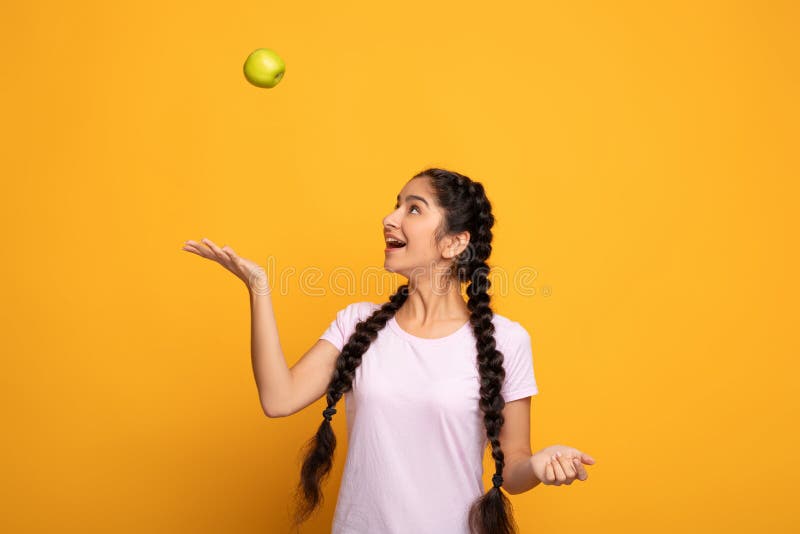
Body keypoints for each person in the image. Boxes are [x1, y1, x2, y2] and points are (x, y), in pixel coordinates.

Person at [181, 168, 596, 534]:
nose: (390, 218)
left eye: (413, 209)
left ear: (453, 243)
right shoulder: (356, 323)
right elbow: (278, 398)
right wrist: (259, 289)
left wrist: (540, 466)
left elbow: (515, 467)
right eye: (396, 205)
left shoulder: (506, 340)